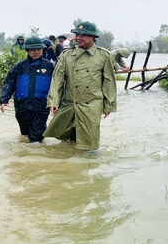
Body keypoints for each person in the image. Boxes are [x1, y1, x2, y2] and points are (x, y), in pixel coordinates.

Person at [43, 21, 117, 151]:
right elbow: (57, 79)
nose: (78, 37)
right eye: (77, 34)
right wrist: (53, 101)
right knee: (66, 141)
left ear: (93, 37)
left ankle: (88, 165)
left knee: (89, 143)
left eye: (83, 35)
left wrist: (109, 105)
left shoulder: (103, 55)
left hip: (91, 104)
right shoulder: (67, 55)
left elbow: (109, 81)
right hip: (70, 103)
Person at [0, 37, 54, 143]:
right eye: (33, 49)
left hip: (41, 107)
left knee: (35, 138)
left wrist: (56, 103)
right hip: (22, 107)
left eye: (39, 49)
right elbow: (9, 84)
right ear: (27, 50)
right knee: (25, 135)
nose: (36, 52)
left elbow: (56, 86)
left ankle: (37, 157)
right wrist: (4, 99)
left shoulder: (49, 67)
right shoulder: (19, 67)